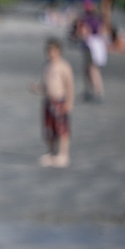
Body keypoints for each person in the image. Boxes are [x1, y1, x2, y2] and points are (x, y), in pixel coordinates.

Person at [31, 38, 75, 168]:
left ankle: (63, 154)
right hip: (48, 101)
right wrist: (37, 88)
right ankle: (51, 153)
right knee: (49, 129)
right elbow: (45, 86)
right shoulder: (46, 66)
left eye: (53, 50)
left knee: (62, 129)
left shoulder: (64, 66)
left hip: (60, 100)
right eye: (48, 50)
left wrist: (69, 103)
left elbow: (69, 86)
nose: (50, 53)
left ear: (59, 51)